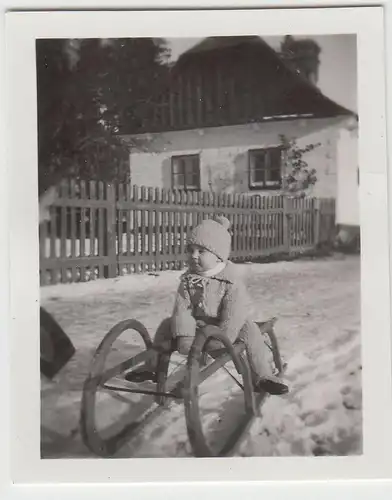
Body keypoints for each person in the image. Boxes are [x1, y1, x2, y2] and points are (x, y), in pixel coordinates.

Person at [125, 216, 289, 395]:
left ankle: (262, 376)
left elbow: (233, 314)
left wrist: (222, 338)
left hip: (228, 326)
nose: (194, 255)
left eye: (201, 251)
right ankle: (152, 367)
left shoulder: (230, 281)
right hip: (199, 324)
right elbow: (183, 309)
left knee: (251, 331)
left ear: (218, 256)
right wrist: (186, 337)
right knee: (167, 325)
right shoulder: (189, 280)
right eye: (191, 250)